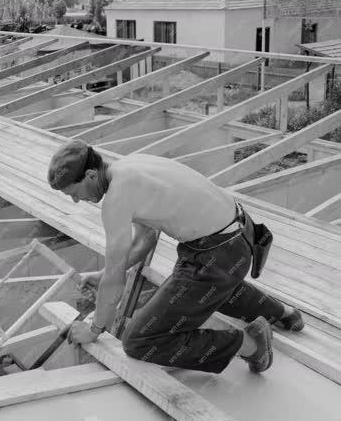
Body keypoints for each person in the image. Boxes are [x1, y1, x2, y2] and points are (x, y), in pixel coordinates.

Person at [47, 139, 304, 374]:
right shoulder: (128, 167)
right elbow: (145, 239)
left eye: (73, 192)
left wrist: (94, 330)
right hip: (238, 236)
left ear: (90, 175)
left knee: (139, 340)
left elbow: (116, 279)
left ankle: (251, 344)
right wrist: (104, 273)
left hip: (217, 251)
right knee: (204, 290)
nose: (76, 201)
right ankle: (284, 313)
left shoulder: (117, 198)